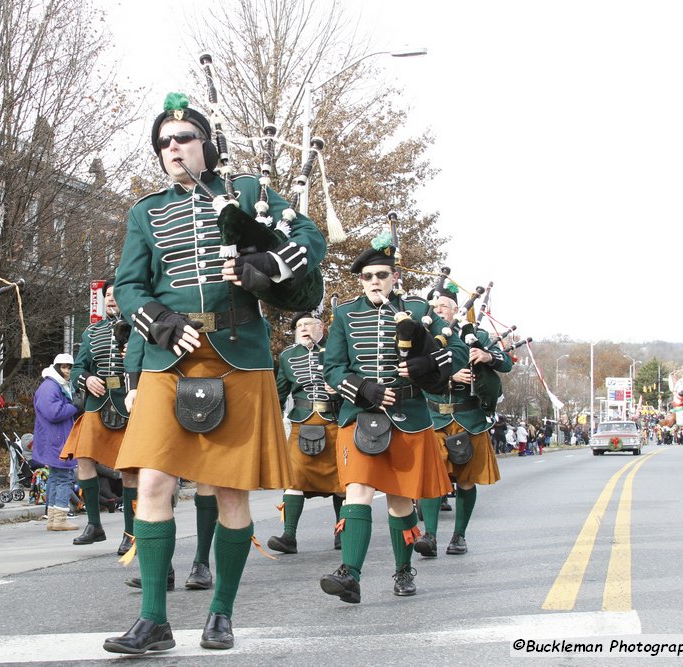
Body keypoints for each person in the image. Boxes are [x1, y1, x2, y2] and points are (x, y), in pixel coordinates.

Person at [103, 92, 325, 654]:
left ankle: (221, 613)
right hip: (168, 357)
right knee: (152, 481)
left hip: (239, 355)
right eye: (163, 143)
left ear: (206, 144)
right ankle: (153, 620)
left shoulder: (246, 192)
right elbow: (128, 286)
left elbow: (308, 240)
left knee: (229, 493)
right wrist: (154, 320)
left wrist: (265, 264)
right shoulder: (145, 212)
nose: (172, 149)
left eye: (182, 138)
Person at [319, 230, 466, 603]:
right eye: (367, 277)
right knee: (358, 491)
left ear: (395, 277)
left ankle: (402, 571)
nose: (374, 282)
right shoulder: (345, 314)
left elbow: (458, 352)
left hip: (410, 415)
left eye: (381, 275)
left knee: (401, 501)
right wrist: (362, 388)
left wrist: (424, 363)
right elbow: (333, 368)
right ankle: (350, 573)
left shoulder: (418, 310)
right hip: (361, 413)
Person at [415, 283, 513, 558]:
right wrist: (449, 378)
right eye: (433, 307)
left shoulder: (476, 334)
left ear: (457, 310)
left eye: (443, 306)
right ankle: (430, 536)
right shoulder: (422, 337)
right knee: (431, 480)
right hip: (433, 418)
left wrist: (487, 355)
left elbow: (506, 363)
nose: (438, 310)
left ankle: (459, 536)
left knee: (467, 481)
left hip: (469, 418)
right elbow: (412, 373)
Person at [61, 282, 137, 549]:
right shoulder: (92, 332)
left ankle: (131, 532)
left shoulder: (140, 328)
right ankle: (94, 524)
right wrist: (87, 378)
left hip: (128, 404)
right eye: (107, 296)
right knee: (84, 459)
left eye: (116, 296)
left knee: (129, 470)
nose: (111, 300)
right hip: (96, 403)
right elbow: (78, 368)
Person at [268, 311, 344, 555]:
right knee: (294, 479)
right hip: (302, 423)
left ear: (320, 326)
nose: (302, 328)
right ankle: (289, 536)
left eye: (307, 324)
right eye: (298, 326)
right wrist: (271, 423)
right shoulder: (288, 355)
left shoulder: (337, 349)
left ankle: (342, 532)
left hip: (335, 421)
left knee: (341, 481)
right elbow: (279, 392)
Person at [33, 355, 80, 531]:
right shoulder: (50, 387)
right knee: (64, 477)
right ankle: (59, 519)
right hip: (56, 439)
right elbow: (53, 413)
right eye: (64, 367)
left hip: (54, 438)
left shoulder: (52, 385)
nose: (67, 371)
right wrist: (75, 405)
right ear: (57, 367)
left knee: (55, 477)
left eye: (69, 367)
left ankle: (53, 519)